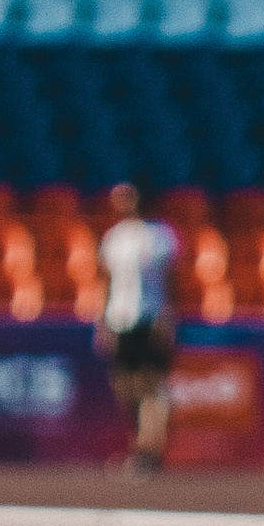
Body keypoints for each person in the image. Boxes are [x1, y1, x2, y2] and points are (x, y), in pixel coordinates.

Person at [96, 182, 178, 473]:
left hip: (149, 317)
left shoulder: (160, 236)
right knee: (126, 386)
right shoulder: (114, 238)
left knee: (152, 384)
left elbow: (170, 281)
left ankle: (149, 449)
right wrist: (102, 320)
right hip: (121, 317)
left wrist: (167, 316)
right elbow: (106, 282)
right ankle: (136, 445)